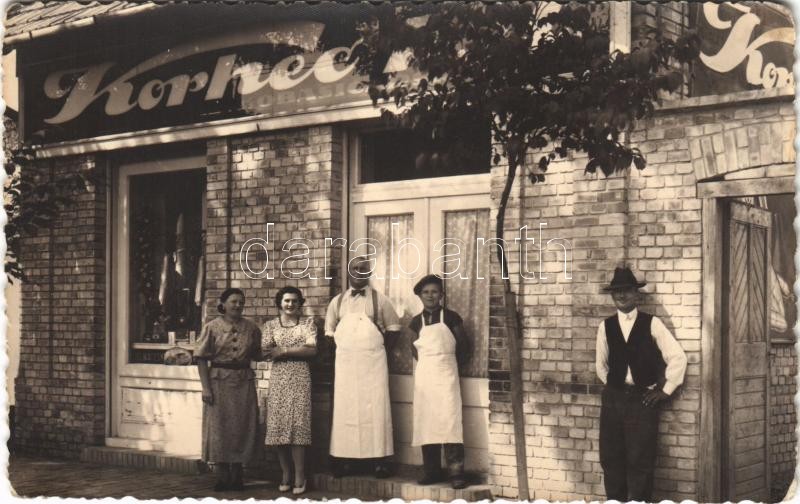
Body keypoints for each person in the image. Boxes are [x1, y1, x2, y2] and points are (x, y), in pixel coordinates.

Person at [595, 266, 688, 502]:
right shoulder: (605, 327)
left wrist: (665, 390)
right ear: (612, 295)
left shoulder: (652, 323)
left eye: (627, 290)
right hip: (613, 402)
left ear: (636, 294)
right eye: (617, 291)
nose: (621, 295)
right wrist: (616, 387)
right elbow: (600, 366)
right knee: (611, 459)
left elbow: (678, 357)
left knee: (641, 460)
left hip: (642, 402)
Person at [324, 256, 401, 478]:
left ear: (369, 272)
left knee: (376, 409)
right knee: (345, 410)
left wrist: (377, 351)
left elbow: (394, 330)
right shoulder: (337, 302)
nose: (359, 271)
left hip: (373, 366)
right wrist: (344, 354)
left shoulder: (381, 300)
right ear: (349, 272)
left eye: (363, 268)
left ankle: (380, 462)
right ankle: (345, 461)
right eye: (355, 268)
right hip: (346, 366)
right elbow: (329, 334)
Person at [195, 288, 262, 491]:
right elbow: (201, 358)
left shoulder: (251, 328)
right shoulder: (212, 327)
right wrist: (206, 388)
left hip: (243, 382)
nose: (238, 305)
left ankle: (238, 474)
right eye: (233, 301)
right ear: (223, 304)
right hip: (219, 382)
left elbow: (258, 353)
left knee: (243, 427)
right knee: (220, 427)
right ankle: (223, 476)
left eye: (241, 302)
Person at [408, 274, 471, 490]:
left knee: (450, 420)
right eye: (425, 292)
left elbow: (464, 347)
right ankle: (432, 471)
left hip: (447, 375)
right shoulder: (416, 322)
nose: (430, 296)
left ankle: (456, 472)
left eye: (434, 291)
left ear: (441, 295)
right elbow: (414, 350)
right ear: (420, 296)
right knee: (427, 422)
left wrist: (447, 364)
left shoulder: (452, 317)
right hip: (425, 377)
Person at [263, 286, 318, 496]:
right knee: (279, 426)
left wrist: (284, 350)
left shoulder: (307, 324)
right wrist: (298, 350)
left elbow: (312, 350)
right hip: (279, 379)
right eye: (286, 300)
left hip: (300, 378)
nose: (290, 304)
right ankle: (285, 473)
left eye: (295, 301)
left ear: (300, 303)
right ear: (280, 302)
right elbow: (267, 351)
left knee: (298, 425)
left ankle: (300, 475)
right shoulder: (270, 325)